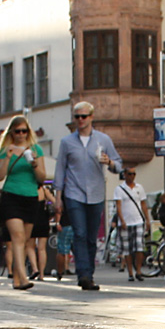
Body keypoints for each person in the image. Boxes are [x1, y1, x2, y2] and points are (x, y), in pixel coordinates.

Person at [53, 101, 122, 291]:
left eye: (84, 116)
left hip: (96, 193)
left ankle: (89, 273)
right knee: (79, 233)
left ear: (91, 117)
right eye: (77, 117)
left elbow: (119, 164)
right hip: (74, 193)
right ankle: (83, 274)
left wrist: (110, 162)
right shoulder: (67, 142)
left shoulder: (103, 140)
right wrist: (58, 197)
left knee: (91, 236)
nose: (80, 120)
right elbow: (60, 170)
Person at [0, 115, 46, 291]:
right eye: (18, 131)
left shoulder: (36, 149)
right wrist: (8, 158)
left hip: (30, 196)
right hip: (11, 196)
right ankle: (23, 277)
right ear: (12, 132)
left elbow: (42, 177)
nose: (21, 134)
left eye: (24, 131)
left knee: (25, 240)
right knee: (17, 237)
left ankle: (17, 279)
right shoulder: (5, 150)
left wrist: (33, 163)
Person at [114, 168, 151, 282]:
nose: (132, 176)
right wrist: (122, 220)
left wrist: (147, 219)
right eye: (130, 174)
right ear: (125, 175)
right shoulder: (119, 189)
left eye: (134, 174)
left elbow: (143, 204)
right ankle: (130, 272)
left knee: (139, 247)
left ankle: (138, 271)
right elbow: (118, 206)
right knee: (127, 249)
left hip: (138, 221)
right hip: (125, 222)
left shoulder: (139, 188)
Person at [27, 184, 55, 281]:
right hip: (43, 220)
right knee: (42, 248)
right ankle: (42, 274)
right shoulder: (43, 190)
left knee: (30, 246)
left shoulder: (28, 189)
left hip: (31, 218)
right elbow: (55, 202)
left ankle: (34, 268)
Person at [54, 206, 74, 281]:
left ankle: (59, 272)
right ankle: (83, 272)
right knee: (78, 248)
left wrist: (57, 222)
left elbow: (58, 209)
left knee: (61, 249)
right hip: (77, 224)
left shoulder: (63, 195)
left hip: (65, 224)